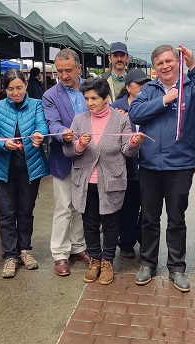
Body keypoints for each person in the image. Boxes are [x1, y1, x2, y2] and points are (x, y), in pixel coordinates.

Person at [129, 44, 195, 292]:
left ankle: (177, 267)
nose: (165, 66)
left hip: (180, 165)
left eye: (170, 61)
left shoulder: (192, 87)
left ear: (177, 63)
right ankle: (148, 263)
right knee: (149, 217)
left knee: (177, 219)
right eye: (160, 63)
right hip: (149, 165)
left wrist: (193, 67)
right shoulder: (149, 89)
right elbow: (135, 114)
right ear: (154, 68)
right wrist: (164, 100)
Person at [63, 78, 143, 285]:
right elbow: (69, 151)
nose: (90, 103)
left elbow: (127, 150)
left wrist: (133, 142)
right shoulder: (79, 120)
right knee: (89, 223)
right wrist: (79, 144)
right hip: (86, 180)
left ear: (106, 98)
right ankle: (94, 260)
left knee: (110, 223)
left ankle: (107, 261)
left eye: (94, 98)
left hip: (111, 180)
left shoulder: (121, 120)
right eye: (87, 98)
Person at [0, 69, 49, 279]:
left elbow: (42, 126)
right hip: (5, 169)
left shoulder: (37, 104)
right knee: (7, 213)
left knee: (26, 211)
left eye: (19, 87)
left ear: (26, 85)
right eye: (10, 89)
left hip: (31, 168)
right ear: (5, 89)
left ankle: (25, 250)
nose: (15, 92)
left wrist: (40, 135)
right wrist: (3, 143)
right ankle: (10, 255)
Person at [42, 49, 90, 276]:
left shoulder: (91, 88)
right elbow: (52, 123)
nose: (63, 75)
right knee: (63, 206)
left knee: (81, 205)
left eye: (68, 70)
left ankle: (78, 246)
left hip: (90, 156)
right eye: (59, 71)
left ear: (79, 68)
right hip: (63, 157)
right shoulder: (50, 95)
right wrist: (64, 132)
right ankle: (60, 254)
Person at [110, 69, 151, 258]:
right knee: (128, 206)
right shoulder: (116, 107)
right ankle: (125, 241)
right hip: (126, 165)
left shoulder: (152, 104)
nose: (143, 87)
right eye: (139, 84)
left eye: (146, 84)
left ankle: (144, 240)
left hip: (149, 163)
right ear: (128, 87)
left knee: (149, 206)